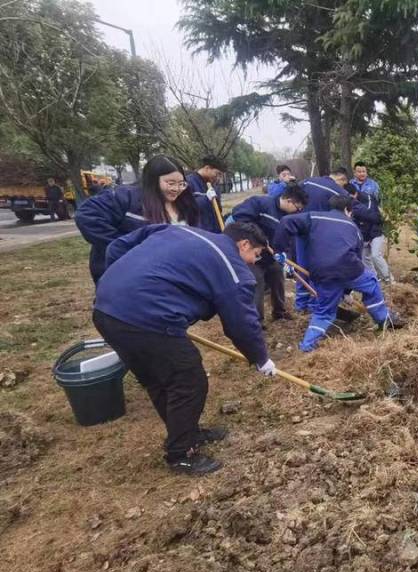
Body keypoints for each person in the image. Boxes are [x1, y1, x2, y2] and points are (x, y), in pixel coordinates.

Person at [92, 221, 276, 476]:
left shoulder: (179, 230)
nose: (254, 262)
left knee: (158, 380)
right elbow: (240, 323)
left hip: (105, 310)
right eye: (255, 254)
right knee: (189, 380)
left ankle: (187, 431)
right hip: (146, 319)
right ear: (244, 244)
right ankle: (181, 454)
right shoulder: (231, 266)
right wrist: (261, 358)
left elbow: (116, 247)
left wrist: (122, 287)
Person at [272, 195, 404, 351]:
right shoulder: (354, 228)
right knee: (371, 283)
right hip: (349, 268)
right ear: (348, 210)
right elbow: (356, 256)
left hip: (321, 273)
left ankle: (307, 346)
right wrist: (347, 290)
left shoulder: (313, 217)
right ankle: (383, 319)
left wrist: (279, 250)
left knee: (323, 312)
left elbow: (286, 221)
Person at [76, 155, 201, 283]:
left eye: (181, 184)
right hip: (128, 278)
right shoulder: (126, 197)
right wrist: (124, 247)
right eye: (170, 183)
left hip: (170, 277)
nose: (176, 189)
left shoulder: (186, 204)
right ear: (153, 180)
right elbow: (87, 217)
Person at [229, 184, 309, 322]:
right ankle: (256, 320)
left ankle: (279, 312)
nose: (298, 211)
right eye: (298, 207)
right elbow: (238, 217)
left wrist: (286, 257)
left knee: (277, 275)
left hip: (270, 254)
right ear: (289, 200)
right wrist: (259, 238)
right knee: (257, 281)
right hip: (252, 253)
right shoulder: (261, 204)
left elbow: (288, 240)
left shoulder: (289, 218)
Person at [345, 183, 394, 284]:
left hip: (375, 232)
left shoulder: (367, 201)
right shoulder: (351, 205)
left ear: (353, 194)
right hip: (364, 234)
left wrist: (371, 236)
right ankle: (374, 278)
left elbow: (374, 219)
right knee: (365, 257)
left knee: (375, 255)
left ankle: (389, 278)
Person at [186, 156, 228, 232]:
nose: (218, 178)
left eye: (221, 176)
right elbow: (187, 208)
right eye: (217, 174)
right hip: (201, 233)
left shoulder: (214, 185)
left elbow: (218, 210)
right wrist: (206, 198)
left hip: (217, 232)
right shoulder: (188, 182)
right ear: (207, 168)